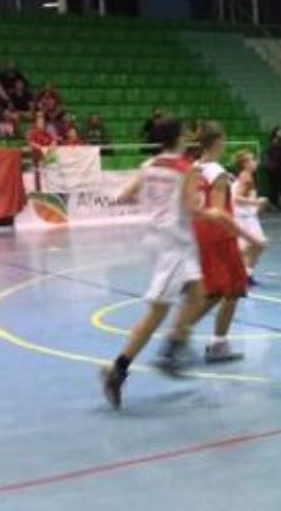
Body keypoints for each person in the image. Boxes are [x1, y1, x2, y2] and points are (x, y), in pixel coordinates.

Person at [100, 118, 213, 408]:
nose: (189, 136)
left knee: (199, 293)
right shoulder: (185, 169)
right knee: (157, 313)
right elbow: (191, 207)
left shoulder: (149, 166)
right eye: (185, 133)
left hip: (159, 239)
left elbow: (124, 196)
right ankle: (119, 369)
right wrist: (209, 210)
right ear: (177, 138)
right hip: (173, 242)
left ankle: (174, 346)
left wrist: (154, 200)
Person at [188, 124, 261, 363]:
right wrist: (246, 235)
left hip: (201, 232)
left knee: (217, 291)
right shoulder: (217, 172)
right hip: (219, 235)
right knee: (233, 289)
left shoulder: (195, 167)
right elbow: (219, 211)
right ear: (217, 142)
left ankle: (181, 334)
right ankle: (213, 342)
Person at [232, 149, 269, 284]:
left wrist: (257, 207)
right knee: (258, 243)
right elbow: (237, 198)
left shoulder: (247, 176)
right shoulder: (245, 177)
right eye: (252, 159)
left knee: (253, 245)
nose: (255, 162)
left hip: (246, 216)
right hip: (243, 217)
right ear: (245, 164)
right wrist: (257, 201)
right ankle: (243, 273)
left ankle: (245, 273)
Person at [265, 126, 281, 211]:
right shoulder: (271, 143)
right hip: (273, 169)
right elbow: (269, 154)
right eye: (278, 131)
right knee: (273, 187)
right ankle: (273, 204)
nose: (280, 133)